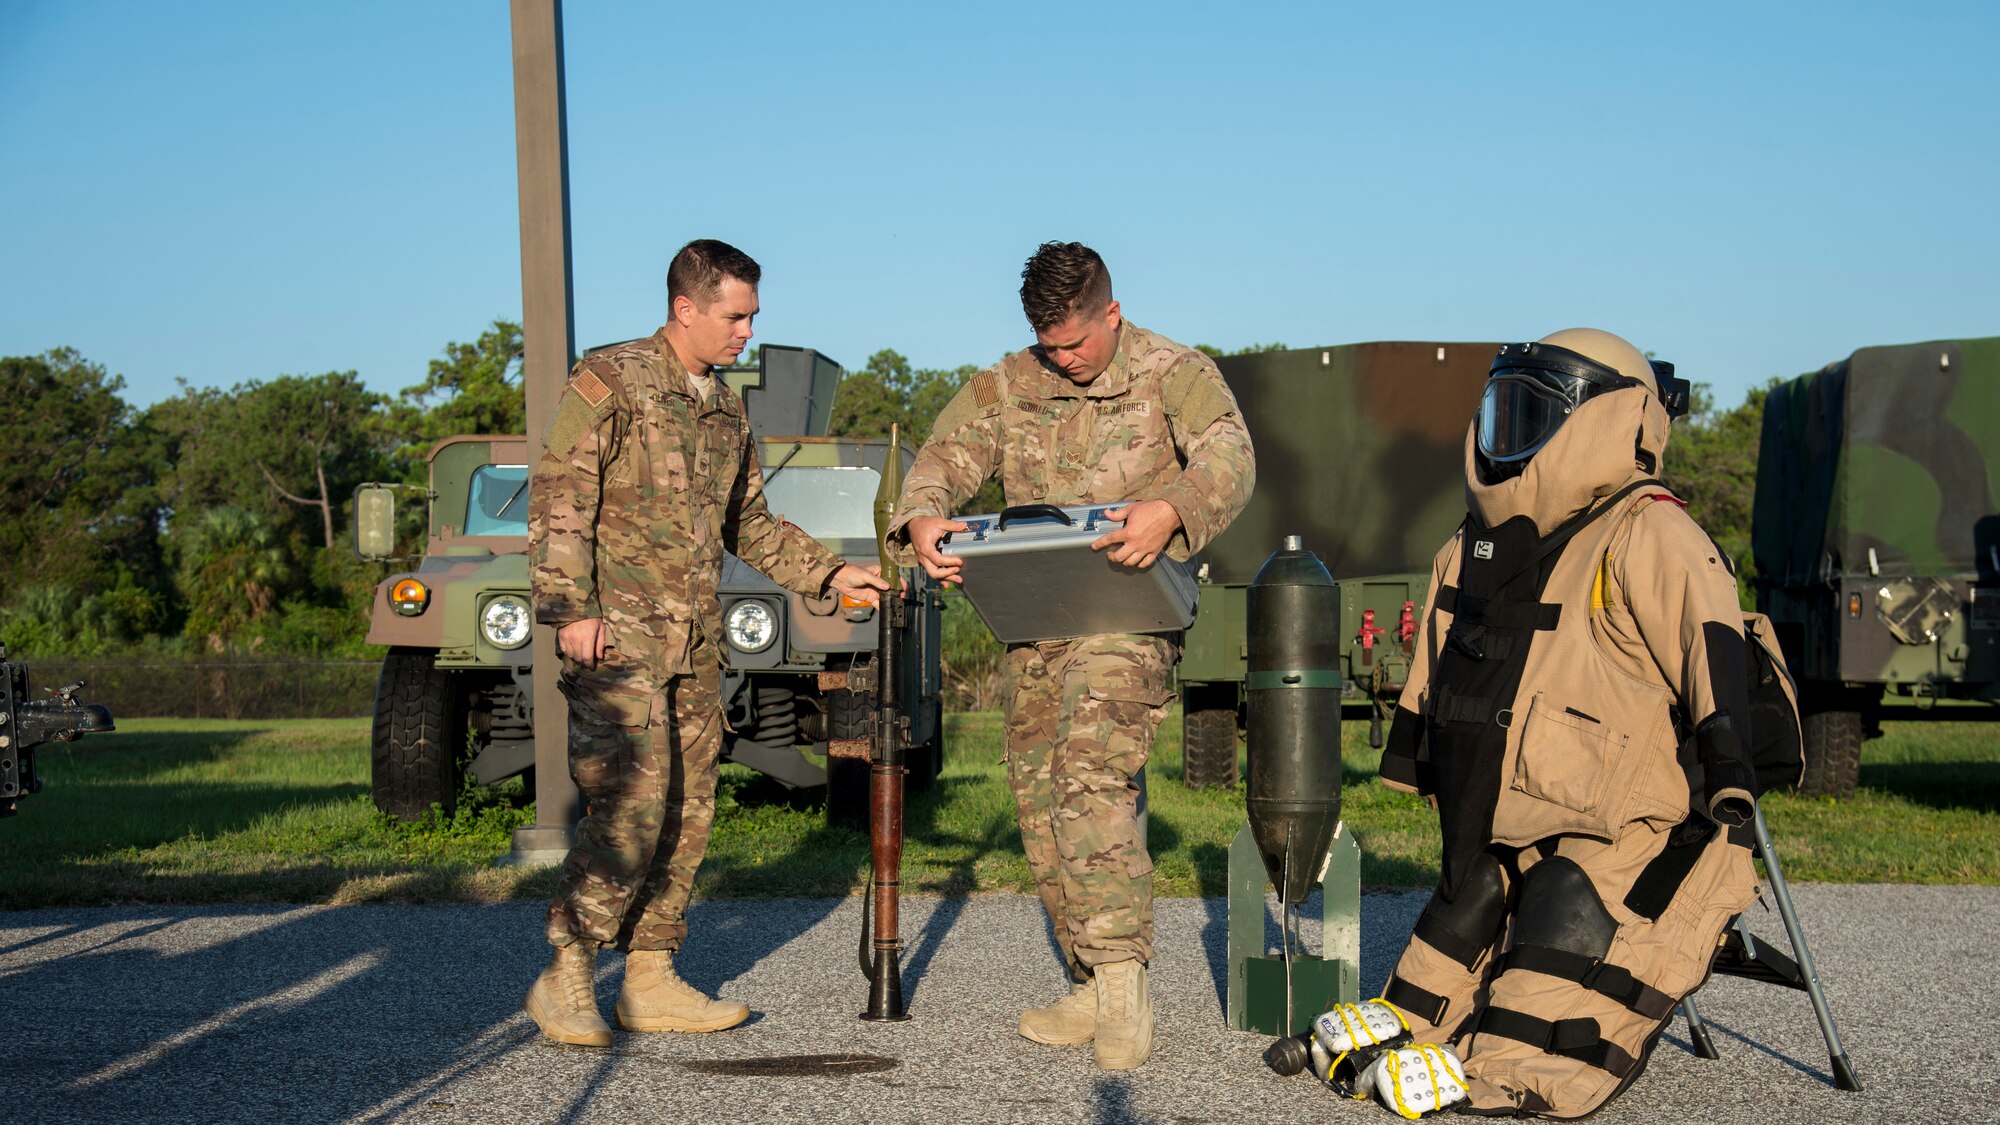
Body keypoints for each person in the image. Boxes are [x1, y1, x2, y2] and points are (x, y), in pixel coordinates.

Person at [1325, 329, 1762, 1117]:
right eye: (1504, 409)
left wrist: (1727, 763)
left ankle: (1507, 1067)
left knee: (1565, 899)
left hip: (1628, 826)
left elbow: (1714, 646)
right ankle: (1411, 1021)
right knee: (1470, 890)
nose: (1510, 434)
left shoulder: (1648, 529)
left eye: (1534, 413)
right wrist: (1414, 759)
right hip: (1507, 811)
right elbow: (1436, 655)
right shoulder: (1473, 544)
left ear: (1607, 421)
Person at [888, 242, 1256, 1069]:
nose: (1062, 359)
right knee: (1039, 798)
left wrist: (1172, 507)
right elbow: (945, 458)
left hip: (1129, 616)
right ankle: (1088, 978)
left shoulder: (1175, 371)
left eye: (1076, 343)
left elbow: (1233, 458)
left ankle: (1124, 983)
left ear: (1112, 313)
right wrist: (922, 517)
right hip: (1038, 617)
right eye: (1049, 345)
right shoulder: (1011, 380)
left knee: (1090, 772)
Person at [524, 238, 887, 1047]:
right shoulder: (611, 381)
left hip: (694, 645)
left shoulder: (724, 407)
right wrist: (568, 607)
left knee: (690, 807)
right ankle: (568, 972)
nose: (746, 333)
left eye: (753, 317)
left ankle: (650, 977)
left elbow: (747, 524)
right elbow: (560, 495)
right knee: (631, 802)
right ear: (685, 308)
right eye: (736, 316)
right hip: (615, 639)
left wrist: (834, 575)